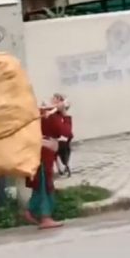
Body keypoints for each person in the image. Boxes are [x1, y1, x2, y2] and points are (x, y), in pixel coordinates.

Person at [24, 94, 73, 230]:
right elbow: (66, 132)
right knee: (45, 185)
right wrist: (65, 115)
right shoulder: (49, 115)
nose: (58, 102)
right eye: (58, 100)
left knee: (39, 185)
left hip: (36, 153)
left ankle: (30, 210)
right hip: (43, 154)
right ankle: (45, 217)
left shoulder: (42, 113)